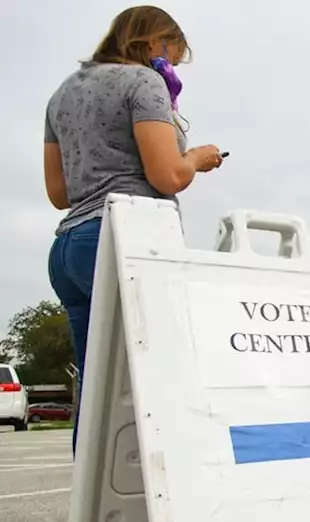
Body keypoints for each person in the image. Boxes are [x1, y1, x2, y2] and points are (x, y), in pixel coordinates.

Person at [43, 6, 223, 454]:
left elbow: (58, 192)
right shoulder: (143, 82)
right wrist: (197, 157)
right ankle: (169, 492)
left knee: (97, 383)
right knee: (163, 371)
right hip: (126, 235)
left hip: (69, 244)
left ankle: (95, 505)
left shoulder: (61, 94)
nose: (172, 70)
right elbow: (168, 176)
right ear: (153, 44)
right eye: (173, 58)